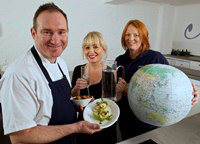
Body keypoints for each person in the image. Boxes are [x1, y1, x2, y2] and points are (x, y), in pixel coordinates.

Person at [0, 3, 101, 144]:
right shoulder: (18, 74)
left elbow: (60, 99)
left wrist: (80, 103)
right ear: (33, 33)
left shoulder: (60, 62)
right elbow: (20, 136)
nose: (55, 40)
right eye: (47, 32)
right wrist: (76, 127)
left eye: (61, 32)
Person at [115, 19, 199, 141]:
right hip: (126, 117)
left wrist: (190, 92)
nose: (130, 38)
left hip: (149, 119)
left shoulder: (156, 57)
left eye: (136, 35)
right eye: (127, 34)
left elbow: (172, 82)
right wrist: (120, 90)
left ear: (143, 37)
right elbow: (116, 90)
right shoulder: (120, 60)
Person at [71, 31, 117, 144]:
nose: (91, 51)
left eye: (95, 47)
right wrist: (77, 87)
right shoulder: (78, 70)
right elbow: (72, 97)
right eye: (87, 47)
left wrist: (119, 90)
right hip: (84, 125)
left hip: (105, 125)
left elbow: (115, 101)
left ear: (103, 49)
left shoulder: (110, 72)